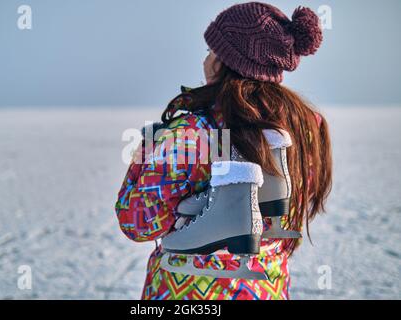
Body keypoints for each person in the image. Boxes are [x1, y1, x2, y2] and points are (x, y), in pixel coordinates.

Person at [115, 2, 332, 300]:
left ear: (223, 61)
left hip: (187, 293)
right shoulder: (307, 126)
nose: (206, 60)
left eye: (210, 51)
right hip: (265, 288)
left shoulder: (191, 133)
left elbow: (136, 222)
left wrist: (148, 149)